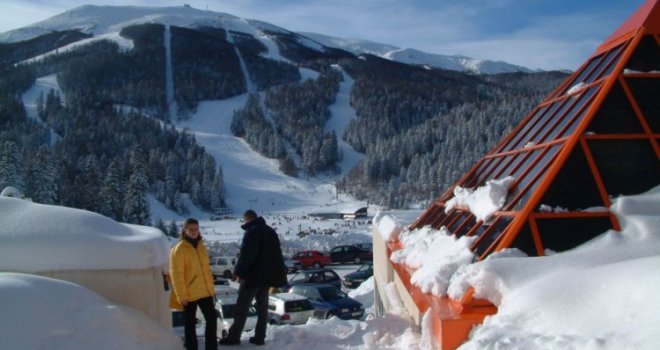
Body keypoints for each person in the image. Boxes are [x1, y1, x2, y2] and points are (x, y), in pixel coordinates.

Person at [219, 210, 287, 346]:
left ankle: (234, 337)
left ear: (247, 220)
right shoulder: (270, 231)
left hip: (252, 277)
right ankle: (260, 337)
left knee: (242, 307)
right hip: (267, 278)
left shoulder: (251, 232)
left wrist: (237, 271)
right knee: (262, 308)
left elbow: (247, 256)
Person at [170, 218, 217, 350]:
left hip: (204, 291)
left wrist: (211, 290)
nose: (194, 232)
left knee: (212, 319)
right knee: (190, 324)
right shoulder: (179, 249)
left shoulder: (201, 246)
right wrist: (181, 295)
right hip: (189, 293)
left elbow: (206, 270)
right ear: (185, 230)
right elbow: (176, 273)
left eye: (196, 229)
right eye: (191, 229)